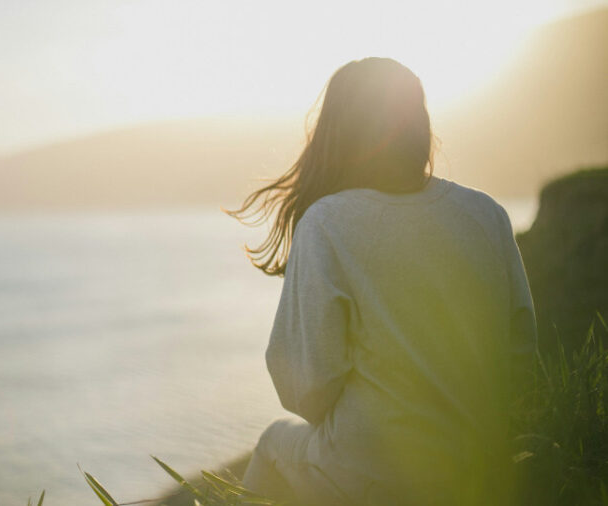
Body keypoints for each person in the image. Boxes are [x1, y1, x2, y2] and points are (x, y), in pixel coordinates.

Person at [228, 57, 537, 505]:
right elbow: (520, 355)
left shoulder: (327, 223)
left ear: (337, 133)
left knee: (274, 444)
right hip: (479, 464)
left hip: (375, 475)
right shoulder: (487, 214)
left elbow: (305, 391)